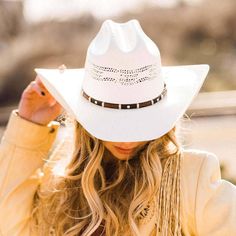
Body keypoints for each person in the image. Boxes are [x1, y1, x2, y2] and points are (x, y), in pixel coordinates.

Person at [0, 19, 235, 236]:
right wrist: (29, 126)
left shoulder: (191, 177)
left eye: (141, 126)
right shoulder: (60, 181)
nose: (127, 141)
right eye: (110, 126)